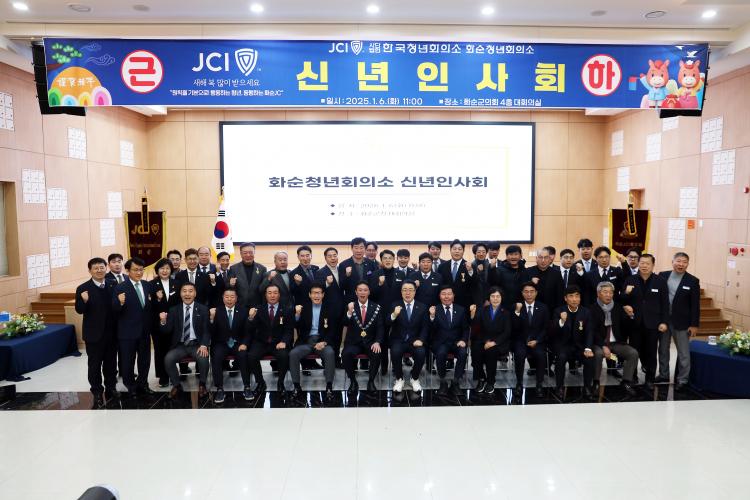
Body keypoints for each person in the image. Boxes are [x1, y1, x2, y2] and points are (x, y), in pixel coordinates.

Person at [75, 257, 118, 407]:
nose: (99, 270)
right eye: (96, 268)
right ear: (90, 271)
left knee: (111, 364)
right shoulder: (83, 288)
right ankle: (97, 392)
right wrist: (84, 300)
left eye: (102, 267)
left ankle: (111, 388)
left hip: (112, 333)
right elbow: (79, 310)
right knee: (94, 365)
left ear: (106, 268)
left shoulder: (113, 284)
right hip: (94, 335)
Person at [621, 254, 669, 388]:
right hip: (634, 323)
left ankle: (650, 379)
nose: (644, 266)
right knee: (633, 352)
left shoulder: (660, 281)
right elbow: (622, 300)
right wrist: (626, 296)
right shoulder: (630, 279)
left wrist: (664, 322)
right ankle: (633, 377)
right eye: (642, 263)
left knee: (651, 352)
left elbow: (665, 304)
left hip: (653, 324)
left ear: (653, 265)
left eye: (647, 263)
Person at [657, 252, 700, 390]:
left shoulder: (692, 281)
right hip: (664, 320)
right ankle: (663, 374)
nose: (681, 264)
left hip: (682, 322)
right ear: (672, 262)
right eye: (678, 261)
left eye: (684, 262)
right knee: (663, 349)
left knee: (683, 353)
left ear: (688, 264)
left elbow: (695, 305)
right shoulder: (662, 276)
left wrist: (694, 324)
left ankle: (682, 379)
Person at [111, 257, 153, 397]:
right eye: (135, 270)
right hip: (127, 332)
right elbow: (114, 309)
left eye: (141, 270)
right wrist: (120, 303)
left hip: (144, 331)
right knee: (128, 361)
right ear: (128, 270)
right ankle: (130, 386)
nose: (139, 273)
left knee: (145, 360)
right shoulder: (120, 287)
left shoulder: (146, 285)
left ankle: (143, 383)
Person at [161, 282, 211, 398]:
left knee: (203, 358)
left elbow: (206, 330)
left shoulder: (203, 309)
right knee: (168, 359)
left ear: (195, 293)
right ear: (180, 293)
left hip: (197, 344)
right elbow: (167, 330)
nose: (187, 294)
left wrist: (204, 345)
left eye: (190, 291)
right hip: (180, 345)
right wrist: (163, 321)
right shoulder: (174, 310)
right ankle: (177, 385)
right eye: (184, 291)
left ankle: (202, 384)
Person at [289, 283, 338, 401]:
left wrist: (324, 342)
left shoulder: (330, 308)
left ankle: (329, 386)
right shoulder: (303, 308)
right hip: (306, 342)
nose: (317, 296)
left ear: (323, 295)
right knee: (293, 354)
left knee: (330, 353)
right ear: (310, 295)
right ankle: (296, 386)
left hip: (322, 342)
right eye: (314, 293)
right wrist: (297, 314)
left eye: (319, 293)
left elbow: (333, 330)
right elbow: (294, 325)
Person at [589, 281, 639, 396]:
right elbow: (592, 331)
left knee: (633, 353)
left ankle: (626, 382)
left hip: (616, 343)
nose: (608, 295)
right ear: (598, 294)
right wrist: (603, 346)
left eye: (611, 292)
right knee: (598, 354)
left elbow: (627, 328)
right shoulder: (592, 309)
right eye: (605, 292)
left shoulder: (618, 307)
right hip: (599, 343)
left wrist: (631, 316)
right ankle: (596, 382)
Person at [246, 284, 294, 395]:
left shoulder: (287, 310)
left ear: (279, 295)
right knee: (251, 356)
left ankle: (280, 382)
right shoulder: (258, 309)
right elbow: (249, 329)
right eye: (270, 293)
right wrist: (250, 318)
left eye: (275, 293)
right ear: (265, 295)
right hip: (261, 342)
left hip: (278, 342)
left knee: (284, 355)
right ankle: (260, 382)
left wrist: (284, 342)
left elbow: (289, 330)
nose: (272, 295)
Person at [209, 288, 253, 404]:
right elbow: (211, 333)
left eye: (232, 297)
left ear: (236, 298)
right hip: (221, 343)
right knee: (216, 356)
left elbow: (248, 332)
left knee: (243, 355)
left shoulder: (243, 311)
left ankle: (247, 387)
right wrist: (212, 319)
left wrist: (244, 343)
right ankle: (219, 388)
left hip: (238, 343)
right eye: (227, 297)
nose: (229, 299)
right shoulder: (216, 311)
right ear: (223, 298)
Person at [551, 285, 596, 399]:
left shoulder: (586, 312)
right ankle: (559, 387)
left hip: (580, 346)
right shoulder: (558, 311)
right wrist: (561, 321)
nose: (574, 299)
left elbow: (589, 332)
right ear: (565, 298)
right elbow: (553, 332)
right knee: (561, 358)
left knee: (589, 359)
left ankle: (587, 387)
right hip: (563, 345)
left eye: (577, 296)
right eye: (571, 296)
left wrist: (588, 348)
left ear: (580, 298)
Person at [342, 281, 385, 394]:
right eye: (360, 290)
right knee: (345, 354)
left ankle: (371, 381)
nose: (362, 292)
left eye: (365, 290)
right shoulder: (350, 306)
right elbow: (344, 323)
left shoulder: (376, 307)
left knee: (377, 353)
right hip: (353, 342)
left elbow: (380, 327)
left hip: (370, 342)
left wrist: (377, 342)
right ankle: (353, 381)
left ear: (369, 292)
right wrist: (349, 312)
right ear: (356, 292)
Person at [386, 281, 428, 393]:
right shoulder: (395, 305)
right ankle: (399, 378)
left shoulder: (422, 307)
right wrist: (394, 314)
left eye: (410, 290)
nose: (407, 293)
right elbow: (387, 323)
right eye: (404, 290)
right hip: (398, 339)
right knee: (395, 351)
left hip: (415, 340)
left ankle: (414, 378)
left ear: (415, 292)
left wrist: (421, 340)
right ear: (401, 292)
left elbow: (425, 327)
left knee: (421, 352)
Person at [429, 285, 470, 396]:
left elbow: (466, 329)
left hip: (457, 342)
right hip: (441, 342)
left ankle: (456, 382)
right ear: (439, 296)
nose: (446, 296)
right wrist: (432, 317)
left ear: (453, 296)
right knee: (441, 353)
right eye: (443, 294)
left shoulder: (461, 310)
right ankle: (443, 382)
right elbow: (431, 330)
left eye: (449, 294)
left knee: (463, 353)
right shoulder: (435, 309)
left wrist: (463, 340)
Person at [471, 286, 512, 395]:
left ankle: (490, 381)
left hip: (499, 342)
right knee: (475, 350)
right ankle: (481, 378)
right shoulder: (482, 310)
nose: (495, 299)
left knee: (491, 352)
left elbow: (507, 332)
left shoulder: (506, 312)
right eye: (493, 296)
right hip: (484, 340)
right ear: (489, 298)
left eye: (498, 296)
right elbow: (477, 328)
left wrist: (494, 342)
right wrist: (473, 316)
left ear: (501, 298)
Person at [511, 282, 549, 397]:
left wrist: (537, 341)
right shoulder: (516, 306)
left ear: (536, 293)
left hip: (537, 341)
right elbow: (513, 327)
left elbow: (545, 328)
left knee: (541, 355)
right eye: (526, 292)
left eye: (532, 292)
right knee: (519, 354)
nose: (529, 294)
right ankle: (519, 383)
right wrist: (517, 312)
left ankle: (539, 384)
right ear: (522, 293)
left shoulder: (543, 307)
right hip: (521, 341)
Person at [150, 258, 179, 387]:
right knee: (160, 350)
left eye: (167, 268)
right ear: (157, 270)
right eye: (162, 268)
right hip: (157, 324)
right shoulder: (151, 284)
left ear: (171, 270)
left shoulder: (177, 283)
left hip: (174, 322)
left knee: (172, 350)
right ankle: (163, 376)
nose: (165, 271)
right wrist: (158, 299)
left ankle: (173, 374)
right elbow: (149, 306)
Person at [316, 247, 345, 366]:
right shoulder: (321, 272)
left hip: (341, 310)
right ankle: (327, 361)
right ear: (325, 258)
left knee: (338, 337)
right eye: (330, 256)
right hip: (328, 311)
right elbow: (318, 290)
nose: (333, 258)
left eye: (335, 255)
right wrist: (327, 283)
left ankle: (337, 360)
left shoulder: (342, 270)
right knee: (329, 336)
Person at [339, 237, 379, 304]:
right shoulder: (343, 265)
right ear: (352, 248)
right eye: (356, 248)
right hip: (351, 302)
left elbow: (374, 283)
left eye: (361, 248)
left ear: (365, 249)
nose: (359, 251)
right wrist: (347, 275)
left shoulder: (371, 264)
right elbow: (341, 286)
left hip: (369, 301)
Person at [436, 239, 475, 309]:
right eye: (454, 249)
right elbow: (439, 285)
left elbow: (474, 284)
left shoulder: (470, 266)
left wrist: (470, 271)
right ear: (450, 250)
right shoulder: (442, 266)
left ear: (463, 251)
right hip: (446, 303)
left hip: (464, 304)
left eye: (459, 249)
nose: (457, 251)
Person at [490, 245, 530, 309]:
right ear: (506, 256)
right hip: (503, 306)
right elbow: (493, 284)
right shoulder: (499, 270)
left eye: (516, 254)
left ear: (520, 256)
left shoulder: (525, 271)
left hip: (520, 306)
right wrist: (492, 269)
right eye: (511, 254)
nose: (513, 257)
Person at [229, 242, 267, 309]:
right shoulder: (233, 268)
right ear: (241, 254)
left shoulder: (262, 269)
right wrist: (231, 284)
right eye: (245, 253)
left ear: (254, 253)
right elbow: (228, 287)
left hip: (257, 306)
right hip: (239, 306)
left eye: (250, 252)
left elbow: (263, 288)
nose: (248, 255)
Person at [470, 242, 491, 308]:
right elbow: (472, 284)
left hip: (488, 301)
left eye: (483, 252)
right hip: (474, 301)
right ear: (475, 253)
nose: (481, 254)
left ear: (486, 253)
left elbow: (490, 283)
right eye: (479, 252)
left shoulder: (489, 265)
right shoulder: (471, 266)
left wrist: (488, 299)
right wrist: (479, 272)